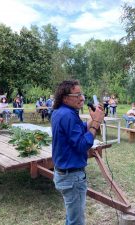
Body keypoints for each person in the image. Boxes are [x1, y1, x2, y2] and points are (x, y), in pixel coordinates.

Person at [52, 80, 104, 225]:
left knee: (72, 217)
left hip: (64, 175)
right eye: (77, 95)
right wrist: (96, 124)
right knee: (76, 221)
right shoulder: (68, 115)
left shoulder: (59, 112)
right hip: (72, 178)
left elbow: (77, 128)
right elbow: (82, 145)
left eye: (81, 94)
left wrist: (92, 120)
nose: (82, 98)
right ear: (65, 98)